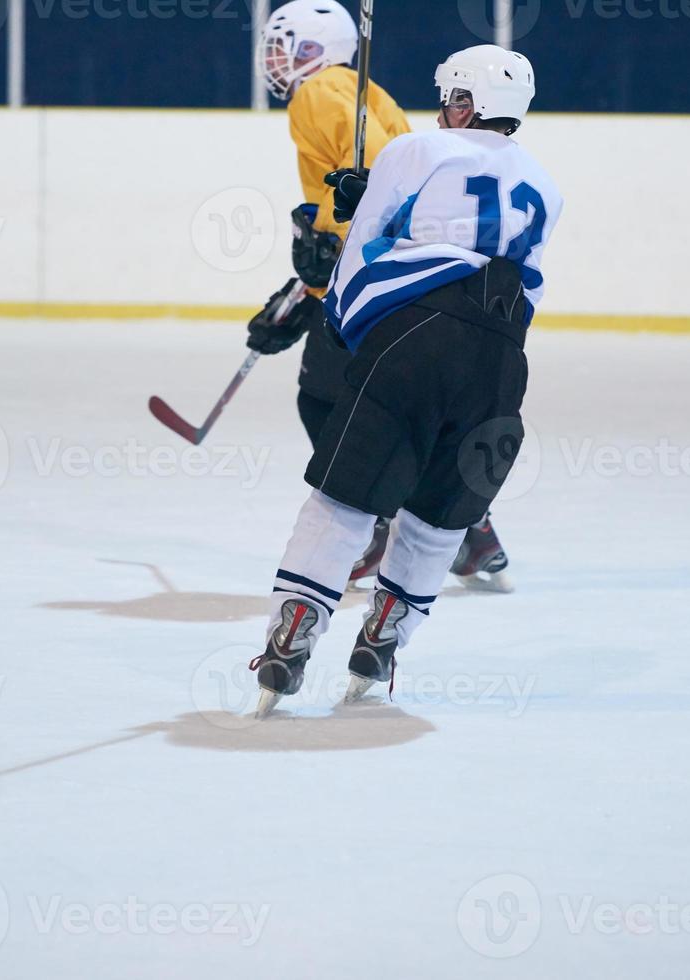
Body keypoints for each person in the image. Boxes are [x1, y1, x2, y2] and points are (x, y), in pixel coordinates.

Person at [250, 44, 563, 717]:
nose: (443, 107)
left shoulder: (413, 152)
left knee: (343, 497)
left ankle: (294, 626)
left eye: (452, 96)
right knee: (439, 513)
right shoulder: (546, 184)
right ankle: (385, 632)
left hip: (415, 340)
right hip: (503, 362)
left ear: (469, 102)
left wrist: (342, 321)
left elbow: (359, 256)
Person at [244, 0, 411, 584]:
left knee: (323, 398)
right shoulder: (368, 93)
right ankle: (470, 530)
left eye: (284, 45)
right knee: (380, 400)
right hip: (391, 267)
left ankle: (389, 521)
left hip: (365, 272)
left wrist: (327, 264)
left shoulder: (315, 95)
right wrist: (310, 280)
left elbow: (363, 175)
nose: (274, 58)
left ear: (315, 49)